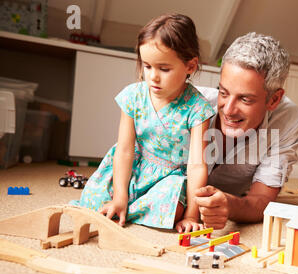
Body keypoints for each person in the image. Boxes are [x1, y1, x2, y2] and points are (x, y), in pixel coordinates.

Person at [70, 14, 216, 233]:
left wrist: (191, 215)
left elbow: (196, 165)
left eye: (164, 69)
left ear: (191, 66)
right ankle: (124, 206)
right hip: (132, 168)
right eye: (147, 66)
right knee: (95, 196)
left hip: (168, 177)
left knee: (174, 209)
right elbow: (125, 150)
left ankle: (132, 209)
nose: (153, 77)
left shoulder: (197, 108)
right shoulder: (133, 96)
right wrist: (120, 196)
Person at [193, 32, 298, 230]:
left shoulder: (289, 120)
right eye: (223, 92)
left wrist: (230, 205)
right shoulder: (194, 103)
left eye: (245, 99)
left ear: (273, 100)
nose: (228, 110)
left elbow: (262, 199)